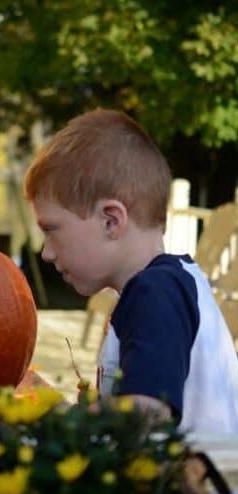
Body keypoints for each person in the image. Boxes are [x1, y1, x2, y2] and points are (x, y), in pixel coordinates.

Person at [24, 108, 238, 434]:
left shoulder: (156, 292)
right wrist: (52, 403)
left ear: (111, 220)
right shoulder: (164, 286)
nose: (47, 252)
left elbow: (147, 412)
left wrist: (60, 420)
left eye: (52, 230)